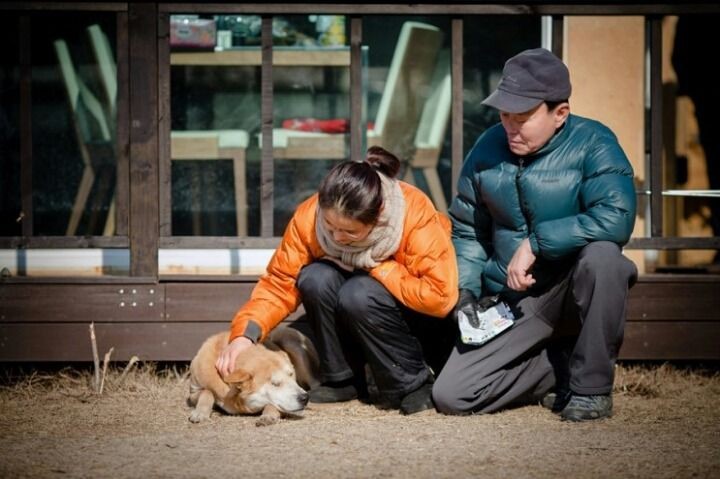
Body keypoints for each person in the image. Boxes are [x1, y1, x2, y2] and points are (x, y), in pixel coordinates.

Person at [431, 48, 638, 421]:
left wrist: (537, 242)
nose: (510, 126)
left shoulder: (595, 142)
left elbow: (617, 217)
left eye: (523, 117)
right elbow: (467, 230)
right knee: (452, 395)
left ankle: (591, 389)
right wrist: (465, 292)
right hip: (516, 299)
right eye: (504, 114)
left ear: (560, 114)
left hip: (573, 290)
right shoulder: (486, 149)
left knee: (606, 259)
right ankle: (558, 367)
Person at [216, 146, 458, 415]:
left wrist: (381, 269)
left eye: (349, 232)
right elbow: (279, 282)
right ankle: (343, 379)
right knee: (315, 277)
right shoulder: (309, 217)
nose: (338, 238)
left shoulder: (412, 212)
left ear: (377, 216)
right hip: (359, 302)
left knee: (359, 291)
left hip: (415, 321)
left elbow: (440, 296)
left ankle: (413, 384)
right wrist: (245, 335)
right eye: (330, 228)